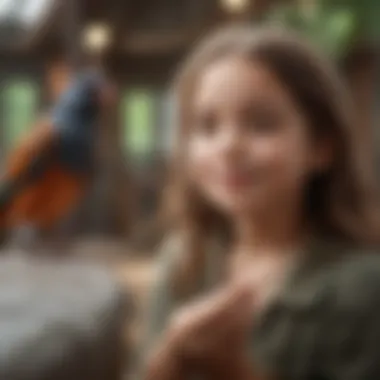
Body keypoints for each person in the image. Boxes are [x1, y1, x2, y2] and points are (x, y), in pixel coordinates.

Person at [139, 25, 380, 380]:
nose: (229, 147)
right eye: (207, 127)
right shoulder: (184, 260)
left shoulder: (363, 288)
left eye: (262, 124)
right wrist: (169, 358)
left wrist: (234, 371)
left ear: (321, 147)